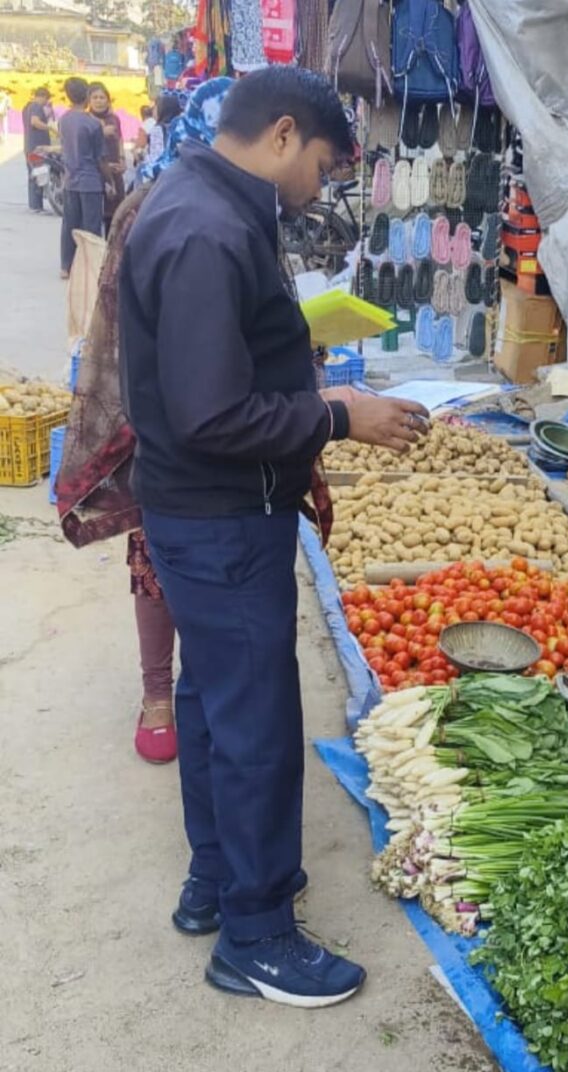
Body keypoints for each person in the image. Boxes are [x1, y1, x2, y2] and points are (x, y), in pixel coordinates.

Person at [119, 66, 430, 1007]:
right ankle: (256, 934)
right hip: (217, 513)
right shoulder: (209, 228)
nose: (323, 186)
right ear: (286, 134)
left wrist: (296, 404)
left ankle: (216, 879)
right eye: (327, 165)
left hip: (205, 505)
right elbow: (212, 413)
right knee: (255, 722)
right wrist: (336, 415)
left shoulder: (206, 203)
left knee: (216, 700)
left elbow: (223, 368)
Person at [56, 80, 238, 768]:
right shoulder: (151, 206)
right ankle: (157, 691)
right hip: (159, 416)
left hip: (231, 415)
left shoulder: (246, 205)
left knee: (221, 561)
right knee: (156, 559)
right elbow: (128, 323)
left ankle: (203, 684)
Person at [58, 77, 110, 279]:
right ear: (87, 96)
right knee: (91, 227)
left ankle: (66, 265)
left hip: (70, 179)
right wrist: (110, 180)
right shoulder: (93, 124)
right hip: (90, 182)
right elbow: (101, 159)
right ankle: (92, 266)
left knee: (69, 224)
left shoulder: (64, 119)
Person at [87, 83, 126, 233]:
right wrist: (101, 132)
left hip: (115, 172)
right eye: (95, 97)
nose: (98, 101)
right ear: (89, 101)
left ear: (108, 100)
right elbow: (85, 144)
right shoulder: (86, 120)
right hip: (96, 173)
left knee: (115, 215)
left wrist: (122, 160)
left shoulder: (114, 119)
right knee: (95, 216)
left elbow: (120, 139)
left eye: (102, 97)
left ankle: (111, 251)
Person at [22, 86, 53, 213]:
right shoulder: (36, 107)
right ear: (43, 97)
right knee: (39, 173)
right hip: (37, 146)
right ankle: (37, 206)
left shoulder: (27, 107)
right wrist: (49, 127)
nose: (47, 102)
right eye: (46, 99)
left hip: (29, 144)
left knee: (33, 174)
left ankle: (34, 204)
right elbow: (34, 122)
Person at [140, 93, 182, 178]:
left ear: (162, 109)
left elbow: (155, 158)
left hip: (162, 178)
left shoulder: (157, 129)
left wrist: (143, 155)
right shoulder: (181, 127)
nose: (152, 110)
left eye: (155, 107)